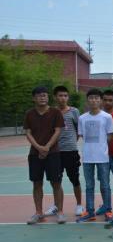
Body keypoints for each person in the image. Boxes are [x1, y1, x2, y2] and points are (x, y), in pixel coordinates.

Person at [24, 86, 65, 225]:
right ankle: (38, 212)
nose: (42, 98)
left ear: (48, 97)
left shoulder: (55, 112)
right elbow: (28, 133)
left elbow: (58, 131)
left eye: (45, 95)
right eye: (39, 95)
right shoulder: (29, 114)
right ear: (33, 98)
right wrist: (39, 147)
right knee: (37, 183)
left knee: (56, 183)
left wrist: (47, 147)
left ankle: (60, 212)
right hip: (34, 154)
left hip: (53, 153)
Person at [77, 89, 113, 223]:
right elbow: (82, 136)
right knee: (89, 185)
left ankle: (108, 210)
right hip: (87, 157)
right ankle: (90, 211)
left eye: (96, 98)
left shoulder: (107, 117)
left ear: (100, 100)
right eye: (91, 98)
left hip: (102, 157)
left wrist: (101, 147)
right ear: (87, 100)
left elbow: (110, 136)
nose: (94, 100)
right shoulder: (82, 118)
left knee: (105, 185)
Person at [47, 85, 83, 217]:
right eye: (60, 96)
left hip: (70, 151)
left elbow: (79, 130)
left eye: (65, 96)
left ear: (68, 97)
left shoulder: (74, 111)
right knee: (56, 181)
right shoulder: (51, 112)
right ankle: (57, 205)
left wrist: (71, 142)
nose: (63, 98)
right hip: (55, 152)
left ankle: (79, 205)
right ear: (55, 97)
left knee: (75, 179)